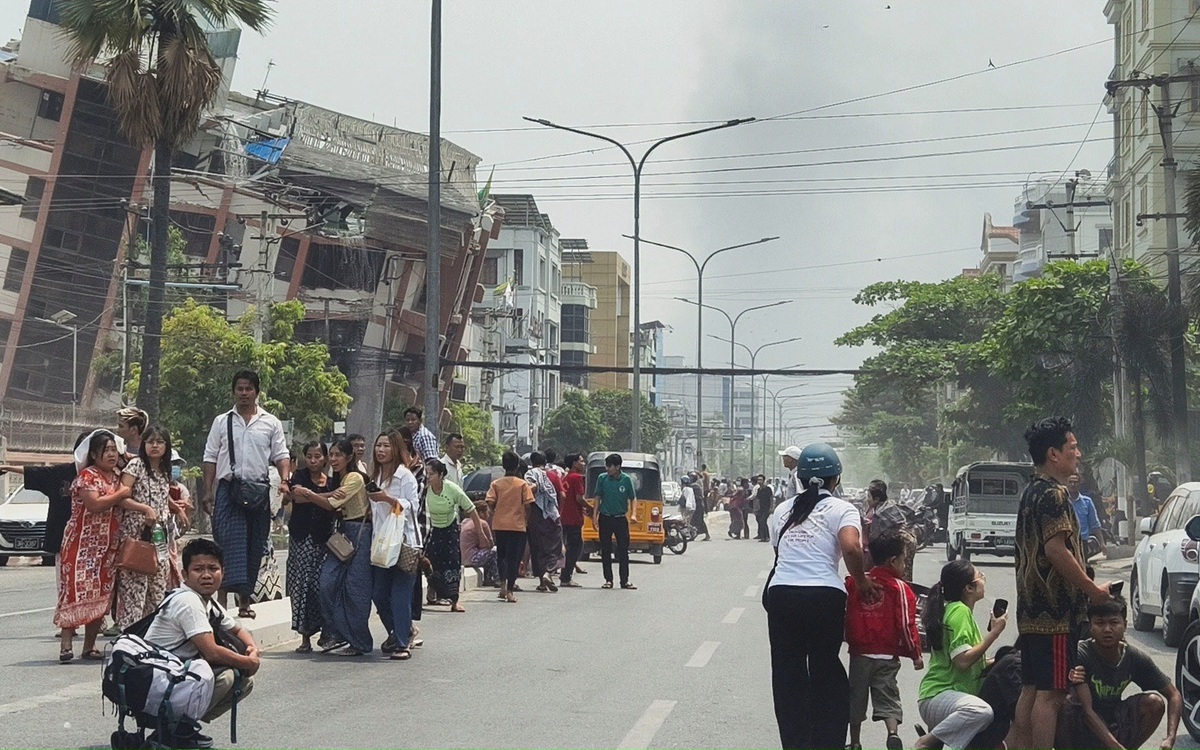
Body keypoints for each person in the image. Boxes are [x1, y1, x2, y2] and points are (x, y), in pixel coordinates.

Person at [766, 442, 877, 749]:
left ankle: (795, 743)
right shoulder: (842, 509)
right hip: (824, 597)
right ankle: (827, 742)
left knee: (788, 674)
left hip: (782, 596)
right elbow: (852, 547)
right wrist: (862, 581)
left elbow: (780, 552)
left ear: (799, 477)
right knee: (825, 668)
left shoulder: (782, 510)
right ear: (835, 479)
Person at [1012, 417, 1113, 750]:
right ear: (1053, 454)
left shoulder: (1031, 491)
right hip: (1054, 613)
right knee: (1052, 694)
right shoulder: (1054, 494)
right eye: (1073, 447)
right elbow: (1056, 549)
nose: (1078, 454)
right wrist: (1092, 589)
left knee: (1031, 689)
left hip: (1029, 611)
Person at [143, 538, 260, 748]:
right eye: (198, 569)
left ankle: (180, 728)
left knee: (243, 682)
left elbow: (238, 629)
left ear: (222, 572)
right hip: (156, 681)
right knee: (226, 677)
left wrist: (253, 649)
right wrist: (248, 662)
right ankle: (175, 728)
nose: (206, 575)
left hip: (175, 675)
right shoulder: (188, 601)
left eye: (213, 568)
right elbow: (212, 653)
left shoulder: (207, 601)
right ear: (185, 574)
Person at [201, 370, 290, 619]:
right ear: (233, 391)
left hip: (258, 492)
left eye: (248, 388)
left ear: (256, 392)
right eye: (239, 388)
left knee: (253, 547)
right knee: (226, 545)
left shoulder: (270, 422)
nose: (243, 393)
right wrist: (208, 491)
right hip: (229, 492)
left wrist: (284, 482)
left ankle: (244, 603)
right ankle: (219, 604)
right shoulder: (222, 421)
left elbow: (281, 455)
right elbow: (209, 457)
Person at [1057, 596, 1182, 750]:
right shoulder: (1081, 654)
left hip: (1115, 721)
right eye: (1100, 623)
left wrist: (1170, 738)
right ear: (1091, 627)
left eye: (1114, 622)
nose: (1107, 629)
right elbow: (1088, 712)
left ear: (1124, 625)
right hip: (1082, 725)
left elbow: (1174, 695)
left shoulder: (1134, 657)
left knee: (1154, 703)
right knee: (1063, 703)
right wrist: (1115, 746)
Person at [55, 430, 136, 662]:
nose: (111, 454)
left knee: (101, 595)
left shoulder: (118, 475)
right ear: (93, 454)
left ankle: (89, 647)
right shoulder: (87, 476)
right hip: (80, 547)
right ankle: (66, 643)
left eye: (114, 449)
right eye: (106, 450)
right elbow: (95, 505)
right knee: (74, 592)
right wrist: (121, 492)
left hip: (107, 546)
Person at [914, 560, 1005, 750]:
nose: (983, 581)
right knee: (981, 711)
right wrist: (994, 633)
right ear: (968, 588)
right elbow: (962, 661)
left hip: (942, 697)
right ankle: (927, 742)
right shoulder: (960, 612)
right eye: (980, 577)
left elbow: (972, 662)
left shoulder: (956, 611)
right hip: (940, 695)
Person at [294, 438, 373, 656]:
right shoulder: (338, 480)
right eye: (333, 454)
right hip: (344, 533)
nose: (334, 459)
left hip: (360, 533)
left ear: (349, 457)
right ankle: (336, 634)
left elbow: (331, 504)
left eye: (339, 455)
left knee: (356, 589)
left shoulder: (354, 478)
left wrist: (308, 493)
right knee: (327, 582)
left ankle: (360, 642)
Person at [846, 532, 924, 750]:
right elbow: (907, 624)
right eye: (903, 560)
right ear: (893, 561)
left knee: (856, 697)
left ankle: (854, 742)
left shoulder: (855, 583)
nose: (904, 564)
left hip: (860, 653)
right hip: (887, 655)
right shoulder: (900, 588)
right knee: (887, 694)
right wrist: (915, 654)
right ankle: (892, 734)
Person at [114, 425, 184, 630]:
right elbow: (122, 497)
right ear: (143, 444)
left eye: (159, 442)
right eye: (150, 441)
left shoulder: (163, 470)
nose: (154, 446)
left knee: (158, 584)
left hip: (159, 535)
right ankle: (130, 635)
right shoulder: (136, 465)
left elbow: (163, 496)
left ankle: (152, 635)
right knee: (134, 588)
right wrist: (144, 509)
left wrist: (177, 509)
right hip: (137, 533)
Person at [366, 430, 421, 660]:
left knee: (400, 594)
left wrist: (389, 499)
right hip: (382, 542)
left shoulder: (405, 476)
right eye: (378, 446)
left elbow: (413, 507)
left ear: (395, 449)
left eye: (386, 446)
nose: (381, 450)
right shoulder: (375, 476)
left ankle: (401, 643)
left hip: (404, 542)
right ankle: (401, 630)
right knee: (379, 593)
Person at [282, 441, 335, 654]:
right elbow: (296, 498)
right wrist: (325, 498)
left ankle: (327, 632)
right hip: (301, 539)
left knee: (321, 586)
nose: (313, 461)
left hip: (324, 541)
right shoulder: (299, 477)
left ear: (325, 458)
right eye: (310, 456)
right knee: (302, 587)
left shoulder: (332, 481)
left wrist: (312, 496)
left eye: (318, 456)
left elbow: (335, 502)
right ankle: (305, 638)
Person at [424, 457, 483, 612]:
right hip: (431, 530)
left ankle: (454, 601)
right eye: (426, 474)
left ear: (440, 475)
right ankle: (433, 591)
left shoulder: (452, 489)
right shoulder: (424, 489)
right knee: (432, 563)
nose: (428, 477)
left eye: (431, 474)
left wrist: (480, 532)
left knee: (452, 563)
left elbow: (471, 509)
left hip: (449, 529)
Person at [486, 451, 535, 603]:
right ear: (518, 466)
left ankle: (502, 585)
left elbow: (490, 502)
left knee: (502, 556)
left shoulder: (496, 484)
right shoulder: (522, 484)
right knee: (514, 558)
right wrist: (525, 519)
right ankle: (510, 590)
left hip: (500, 525)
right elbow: (528, 504)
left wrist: (496, 513)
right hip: (518, 526)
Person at [592, 453, 638, 590]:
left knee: (623, 550)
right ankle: (608, 580)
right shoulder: (602, 479)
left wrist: (633, 514)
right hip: (605, 518)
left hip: (620, 519)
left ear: (617, 467)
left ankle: (624, 581)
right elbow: (597, 497)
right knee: (605, 549)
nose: (607, 469)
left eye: (610, 466)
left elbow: (633, 498)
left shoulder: (626, 480)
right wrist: (595, 516)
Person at [525, 451, 562, 593]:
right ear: (545, 462)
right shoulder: (553, 475)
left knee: (537, 547)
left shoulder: (529, 475)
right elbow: (562, 494)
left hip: (535, 514)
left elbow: (528, 491)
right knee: (554, 546)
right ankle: (548, 572)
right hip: (551, 515)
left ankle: (541, 581)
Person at [863, 479, 915, 580]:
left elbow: (873, 541)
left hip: (903, 543)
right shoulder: (889, 504)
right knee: (903, 573)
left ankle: (903, 593)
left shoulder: (879, 514)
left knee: (901, 575)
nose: (867, 500)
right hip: (907, 539)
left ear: (877, 499)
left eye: (869, 497)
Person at [559, 453, 589, 588]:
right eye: (581, 461)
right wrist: (592, 508)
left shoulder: (566, 478)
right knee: (575, 547)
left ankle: (564, 574)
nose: (584, 464)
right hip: (573, 518)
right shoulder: (576, 478)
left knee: (567, 546)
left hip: (564, 517)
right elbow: (579, 498)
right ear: (574, 463)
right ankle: (566, 577)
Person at [1068, 473, 1107, 558]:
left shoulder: (1087, 502)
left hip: (1083, 543)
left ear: (1079, 484)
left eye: (1075, 482)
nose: (1072, 484)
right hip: (1067, 543)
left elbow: (1095, 524)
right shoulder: (1062, 501)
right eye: (1070, 482)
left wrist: (1102, 543)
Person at [461, 500, 498, 586]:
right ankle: (498, 578)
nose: (489, 515)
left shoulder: (465, 521)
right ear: (481, 513)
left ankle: (487, 577)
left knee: (488, 554)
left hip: (463, 558)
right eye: (487, 512)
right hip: (472, 558)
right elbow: (488, 545)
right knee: (495, 551)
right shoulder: (483, 523)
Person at [690, 470, 711, 541]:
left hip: (698, 506)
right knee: (694, 521)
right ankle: (693, 535)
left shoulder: (695, 486)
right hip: (697, 505)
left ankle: (705, 534)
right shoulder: (696, 484)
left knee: (699, 521)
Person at [754, 475, 773, 541]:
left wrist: (771, 507)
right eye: (758, 480)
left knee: (763, 521)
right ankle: (763, 537)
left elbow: (771, 498)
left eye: (760, 480)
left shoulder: (767, 489)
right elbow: (758, 499)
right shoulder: (759, 489)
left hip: (767, 508)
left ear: (764, 480)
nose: (759, 481)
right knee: (761, 522)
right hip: (761, 508)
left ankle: (767, 537)